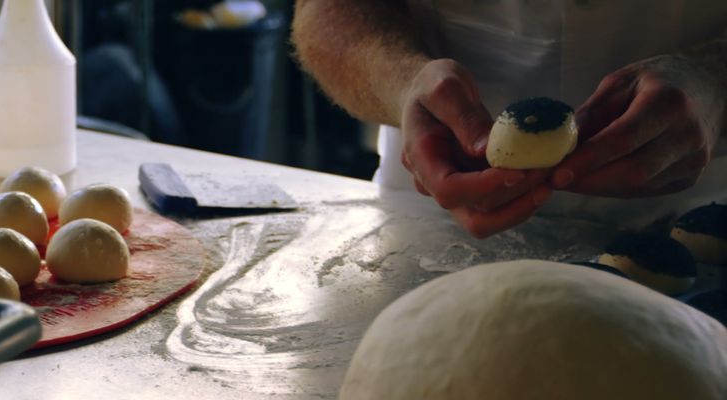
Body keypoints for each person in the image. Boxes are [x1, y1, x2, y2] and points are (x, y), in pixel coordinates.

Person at [291, 1, 727, 237]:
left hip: (698, 219)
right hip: (432, 216)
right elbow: (328, 11)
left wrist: (715, 80)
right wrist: (401, 83)